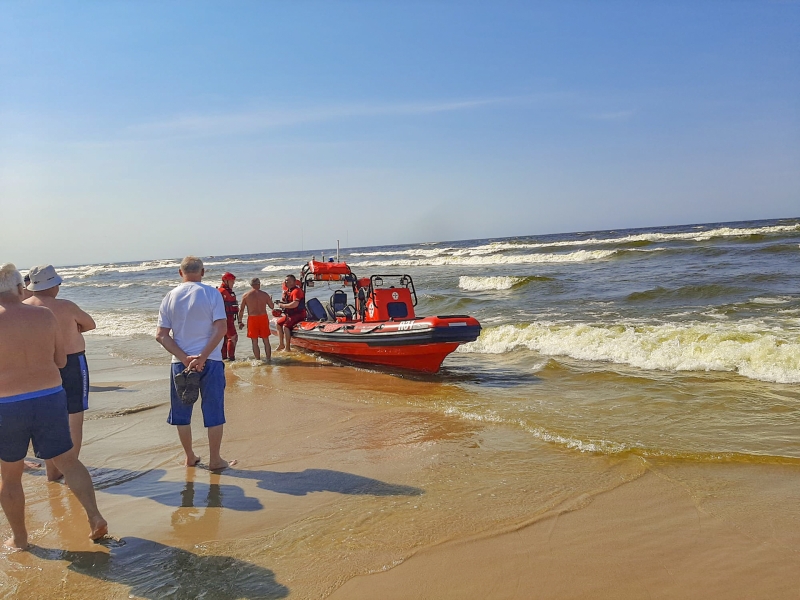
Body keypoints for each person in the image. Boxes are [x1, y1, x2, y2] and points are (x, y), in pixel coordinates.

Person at [0, 263, 107, 550]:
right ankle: (95, 517)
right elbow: (60, 361)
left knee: (10, 475)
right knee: (69, 461)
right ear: (20, 289)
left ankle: (20, 539)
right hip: (49, 396)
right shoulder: (44, 315)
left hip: (8, 403)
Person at [155, 256, 236, 471]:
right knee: (214, 410)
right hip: (211, 360)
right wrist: (202, 356)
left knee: (182, 413)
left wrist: (184, 358)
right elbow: (221, 329)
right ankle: (215, 460)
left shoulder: (170, 296)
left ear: (180, 273)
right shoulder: (212, 293)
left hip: (181, 363)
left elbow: (161, 335)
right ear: (203, 272)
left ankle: (189, 456)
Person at [24, 265, 96, 482]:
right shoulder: (66, 306)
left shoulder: (24, 308)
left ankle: (52, 470)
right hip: (72, 363)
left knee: (48, 417)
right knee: (74, 417)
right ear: (53, 285)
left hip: (40, 365)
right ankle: (70, 468)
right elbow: (90, 324)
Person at [238, 277, 274, 361]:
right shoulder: (265, 294)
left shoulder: (246, 295)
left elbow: (241, 310)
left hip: (252, 318)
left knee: (254, 341)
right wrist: (270, 300)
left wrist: (240, 321)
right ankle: (268, 359)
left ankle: (258, 360)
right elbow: (272, 307)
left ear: (251, 285)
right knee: (266, 340)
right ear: (259, 284)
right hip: (263, 317)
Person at [275, 274, 306, 352]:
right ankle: (281, 344)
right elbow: (286, 302)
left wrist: (282, 305)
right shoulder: (287, 292)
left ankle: (287, 348)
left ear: (294, 282)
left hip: (298, 314)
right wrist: (279, 303)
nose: (286, 282)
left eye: (288, 280)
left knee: (286, 326)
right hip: (290, 314)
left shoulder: (297, 291)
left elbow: (295, 304)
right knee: (278, 324)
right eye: (286, 280)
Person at [217, 272, 239, 361]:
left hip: (228, 317)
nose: (233, 284)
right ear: (226, 281)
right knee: (233, 337)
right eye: (232, 282)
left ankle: (224, 358)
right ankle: (231, 358)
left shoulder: (226, 291)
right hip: (226, 318)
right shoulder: (222, 291)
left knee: (225, 338)